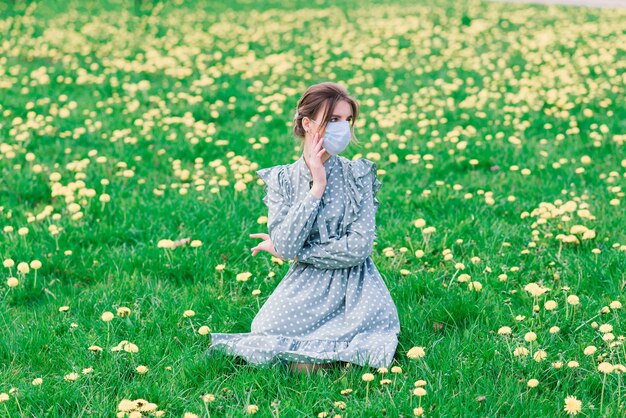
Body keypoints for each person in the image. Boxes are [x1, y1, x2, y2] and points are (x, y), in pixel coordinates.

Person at [208, 82, 400, 374]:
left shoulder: (358, 174)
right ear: (308, 123)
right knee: (264, 328)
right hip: (305, 286)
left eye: (347, 120)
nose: (343, 128)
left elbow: (358, 248)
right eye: (333, 120)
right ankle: (328, 361)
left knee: (371, 336)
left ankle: (325, 360)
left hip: (356, 286)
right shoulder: (283, 179)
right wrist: (317, 186)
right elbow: (285, 244)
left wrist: (299, 254)